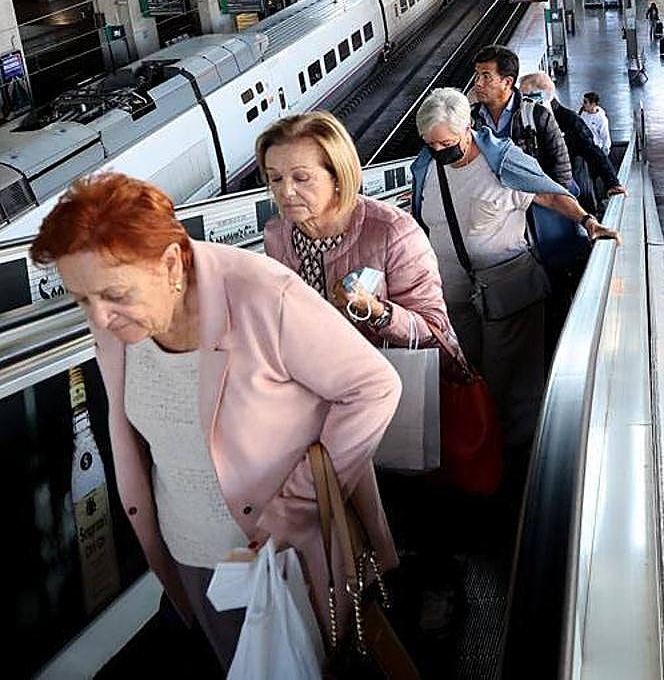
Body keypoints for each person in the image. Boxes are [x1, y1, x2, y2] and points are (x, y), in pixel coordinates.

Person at [30, 173, 401, 670]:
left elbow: (373, 385)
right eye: (82, 300)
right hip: (190, 557)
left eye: (114, 294)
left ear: (168, 264)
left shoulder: (264, 296)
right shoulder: (119, 324)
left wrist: (295, 506)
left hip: (283, 557)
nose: (98, 318)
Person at [412, 89, 618, 449]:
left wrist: (588, 221)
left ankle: (519, 460)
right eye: (430, 144)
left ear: (468, 129)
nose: (438, 151)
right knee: (468, 373)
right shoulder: (426, 167)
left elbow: (551, 194)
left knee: (513, 382)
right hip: (454, 293)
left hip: (508, 287)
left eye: (445, 143)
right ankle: (482, 449)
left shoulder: (504, 162)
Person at [256, 112, 453, 355]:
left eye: (302, 178)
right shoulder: (276, 235)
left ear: (338, 175)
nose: (285, 192)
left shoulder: (393, 232)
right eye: (275, 178)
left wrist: (376, 311)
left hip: (387, 380)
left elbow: (433, 328)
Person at [470, 44, 572, 189]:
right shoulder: (471, 118)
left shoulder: (536, 116)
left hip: (532, 202)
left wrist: (559, 205)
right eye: (477, 75)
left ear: (507, 82)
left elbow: (561, 167)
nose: (478, 83)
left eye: (486, 77)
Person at [518, 72, 623, 208]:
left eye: (527, 97)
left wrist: (612, 183)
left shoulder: (569, 120)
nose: (523, 103)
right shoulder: (523, 121)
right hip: (540, 195)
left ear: (542, 96)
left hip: (572, 195)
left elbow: (592, 151)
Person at [579, 91, 612, 156]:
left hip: (595, 149)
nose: (583, 104)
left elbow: (605, 136)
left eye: (585, 102)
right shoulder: (581, 114)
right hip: (583, 148)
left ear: (593, 104)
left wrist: (605, 151)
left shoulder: (601, 119)